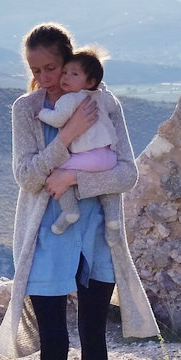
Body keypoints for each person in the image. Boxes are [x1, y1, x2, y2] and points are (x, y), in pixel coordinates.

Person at [0, 22, 159, 360]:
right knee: (53, 342)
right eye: (35, 69)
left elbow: (126, 174)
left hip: (97, 235)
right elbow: (27, 177)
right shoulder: (25, 111)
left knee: (92, 334)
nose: (45, 77)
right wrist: (66, 137)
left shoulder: (105, 102)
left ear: (70, 64)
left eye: (52, 67)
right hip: (46, 238)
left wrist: (73, 182)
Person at [36, 46, 123, 245]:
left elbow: (58, 119)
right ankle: (112, 219)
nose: (66, 77)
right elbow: (112, 106)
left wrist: (41, 114)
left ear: (90, 81)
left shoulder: (70, 99)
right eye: (65, 72)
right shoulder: (101, 97)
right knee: (110, 187)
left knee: (58, 171)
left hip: (87, 157)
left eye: (74, 74)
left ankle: (70, 211)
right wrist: (99, 89)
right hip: (109, 156)